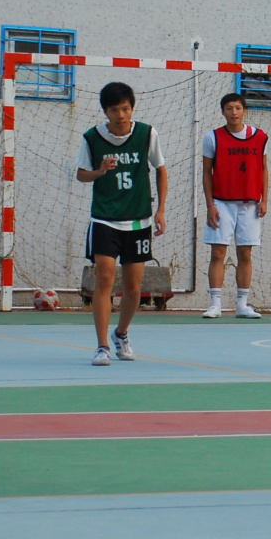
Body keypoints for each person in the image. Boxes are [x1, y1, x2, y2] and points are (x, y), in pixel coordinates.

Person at [74, 82, 168, 366]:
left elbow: (160, 170)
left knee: (134, 288)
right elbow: (81, 174)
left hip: (138, 219)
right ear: (106, 112)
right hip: (104, 218)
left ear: (132, 109)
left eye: (126, 109)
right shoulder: (92, 138)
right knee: (104, 277)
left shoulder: (147, 134)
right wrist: (99, 171)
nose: (121, 115)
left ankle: (121, 333)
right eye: (115, 110)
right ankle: (102, 346)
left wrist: (161, 210)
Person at [200, 91, 268, 319]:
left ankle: (242, 304)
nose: (234, 112)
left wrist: (264, 199)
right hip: (222, 202)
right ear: (223, 112)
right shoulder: (212, 137)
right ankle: (215, 304)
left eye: (238, 108)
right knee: (218, 252)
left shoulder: (260, 137)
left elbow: (264, 169)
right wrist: (210, 205)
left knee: (245, 253)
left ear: (244, 111)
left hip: (250, 204)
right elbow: (207, 173)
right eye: (229, 108)